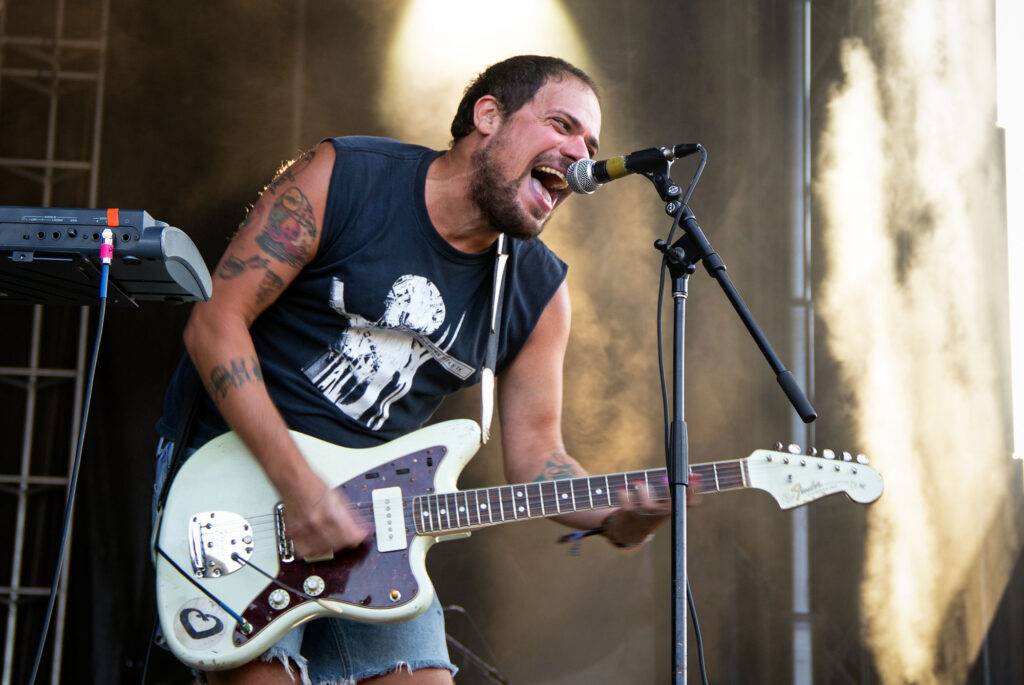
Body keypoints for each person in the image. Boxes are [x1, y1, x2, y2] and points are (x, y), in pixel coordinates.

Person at [155, 55, 670, 685]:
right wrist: (301, 487)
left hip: (374, 522)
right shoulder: (345, 176)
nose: (580, 154)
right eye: (562, 126)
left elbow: (538, 457)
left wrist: (618, 517)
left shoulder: (536, 292)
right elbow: (214, 323)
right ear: (489, 115)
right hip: (239, 482)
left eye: (591, 144)